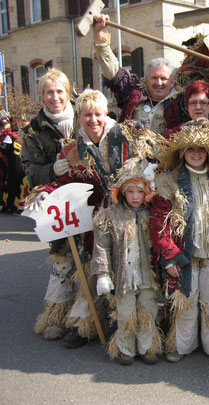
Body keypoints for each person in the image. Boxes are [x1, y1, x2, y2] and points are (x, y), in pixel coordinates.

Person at [27, 89, 132, 348]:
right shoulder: (73, 150)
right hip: (92, 222)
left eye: (97, 114)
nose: (93, 120)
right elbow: (63, 184)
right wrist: (46, 193)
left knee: (127, 271)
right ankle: (84, 322)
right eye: (87, 115)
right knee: (93, 271)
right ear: (79, 116)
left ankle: (125, 323)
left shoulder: (126, 140)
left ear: (106, 113)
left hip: (126, 218)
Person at [149, 118, 209, 364]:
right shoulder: (168, 181)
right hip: (184, 253)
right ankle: (182, 345)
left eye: (201, 148)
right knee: (186, 299)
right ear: (182, 152)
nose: (196, 153)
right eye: (190, 149)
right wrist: (168, 254)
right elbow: (159, 222)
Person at [19, 68, 78, 342]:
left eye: (59, 91)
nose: (55, 97)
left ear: (68, 93)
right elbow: (30, 171)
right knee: (63, 259)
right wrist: (52, 170)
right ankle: (55, 316)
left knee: (88, 259)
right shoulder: (33, 131)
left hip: (87, 196)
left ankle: (82, 319)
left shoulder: (85, 116)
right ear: (42, 95)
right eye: (49, 92)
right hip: (55, 200)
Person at [91, 158, 161, 365]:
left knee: (148, 309)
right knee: (126, 312)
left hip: (148, 274)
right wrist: (103, 273)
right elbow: (101, 245)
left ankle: (147, 346)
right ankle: (125, 348)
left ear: (146, 192)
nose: (135, 196)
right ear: (122, 192)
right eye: (130, 191)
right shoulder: (111, 215)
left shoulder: (152, 213)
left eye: (140, 191)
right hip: (124, 275)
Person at [92, 14, 186, 135]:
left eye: (164, 79)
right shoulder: (134, 93)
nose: (159, 83)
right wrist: (98, 33)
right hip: (131, 153)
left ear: (172, 81)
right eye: (154, 78)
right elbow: (113, 71)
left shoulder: (182, 102)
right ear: (146, 79)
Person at [0, 115, 25, 213]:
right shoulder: (18, 135)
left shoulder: (9, 136)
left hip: (14, 163)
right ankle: (10, 205)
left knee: (12, 185)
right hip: (19, 163)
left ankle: (14, 205)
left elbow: (4, 148)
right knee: (14, 185)